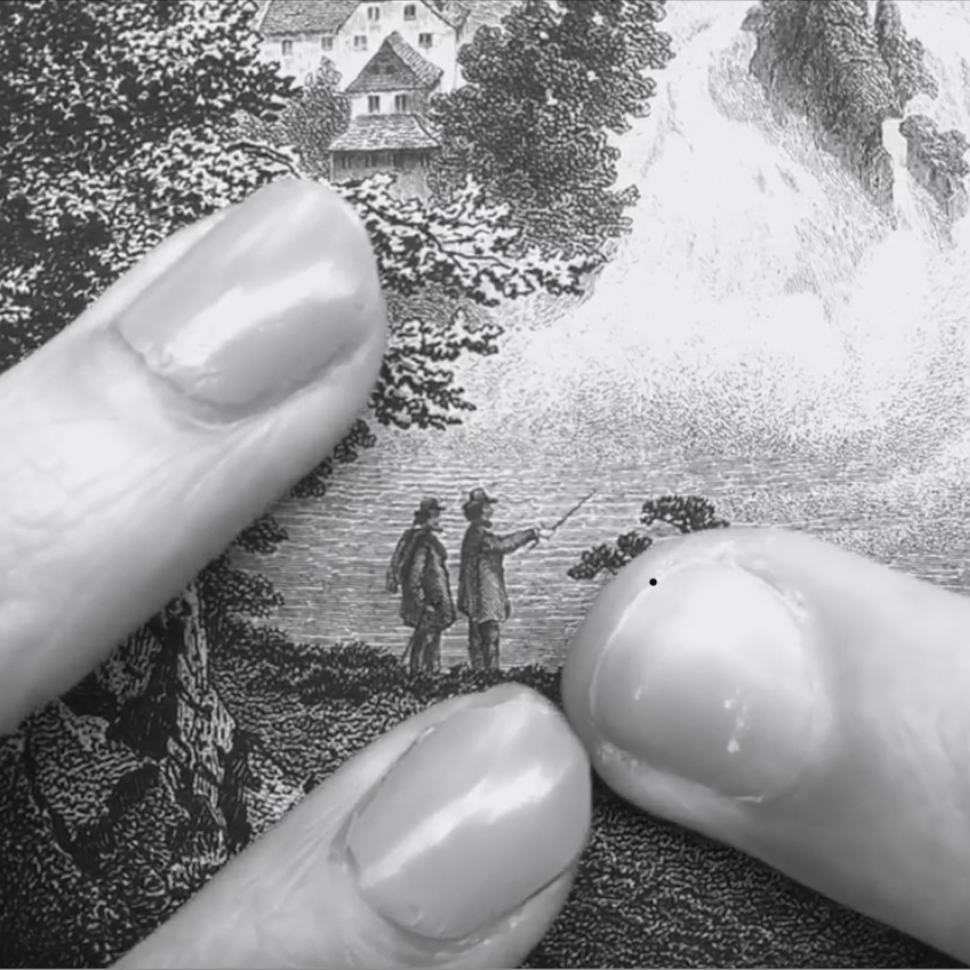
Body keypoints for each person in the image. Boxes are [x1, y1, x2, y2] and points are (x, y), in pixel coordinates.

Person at [6, 181, 970, 968]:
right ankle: (433, 678)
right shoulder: (463, 543)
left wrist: (514, 545)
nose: (439, 516)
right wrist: (504, 547)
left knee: (472, 638)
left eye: (440, 511)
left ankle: (442, 677)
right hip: (461, 597)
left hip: (470, 596)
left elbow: (472, 551)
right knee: (458, 637)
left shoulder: (466, 538)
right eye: (444, 514)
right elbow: (462, 556)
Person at [457, 487, 541, 670]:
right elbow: (503, 545)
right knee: (487, 639)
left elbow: (501, 543)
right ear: (478, 510)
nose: (491, 510)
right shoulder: (477, 535)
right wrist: (531, 533)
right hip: (482, 598)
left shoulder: (477, 533)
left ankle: (485, 675)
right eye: (487, 507)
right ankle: (488, 675)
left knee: (483, 639)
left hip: (481, 598)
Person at [397, 497, 456, 674]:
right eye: (435, 516)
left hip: (434, 601)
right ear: (426, 518)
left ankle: (432, 671)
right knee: (425, 637)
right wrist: (422, 601)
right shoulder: (422, 542)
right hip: (427, 603)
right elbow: (415, 576)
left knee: (432, 636)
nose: (438, 520)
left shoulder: (425, 540)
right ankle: (420, 674)